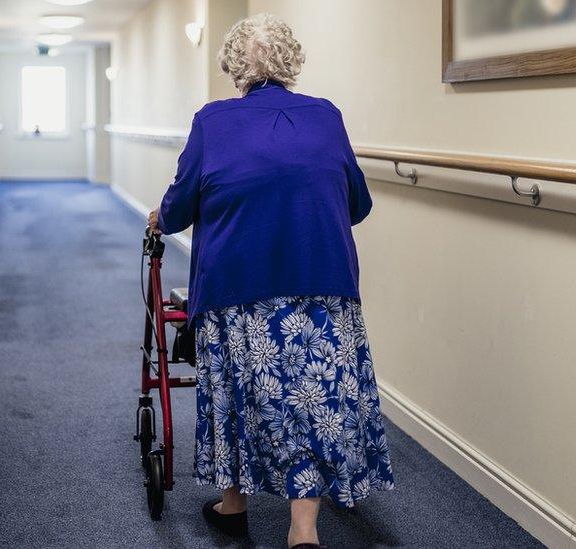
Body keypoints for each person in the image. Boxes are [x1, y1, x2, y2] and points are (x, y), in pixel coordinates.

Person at [147, 13, 394, 549]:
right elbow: (358, 202)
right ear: (291, 60)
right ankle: (302, 529)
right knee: (314, 398)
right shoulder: (326, 117)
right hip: (322, 280)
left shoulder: (213, 122)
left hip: (238, 285)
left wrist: (160, 219)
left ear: (236, 67)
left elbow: (182, 202)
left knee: (241, 388)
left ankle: (233, 502)